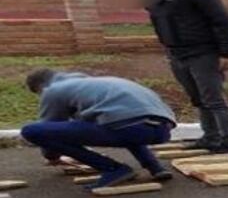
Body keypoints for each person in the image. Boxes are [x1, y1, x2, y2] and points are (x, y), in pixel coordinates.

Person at [20, 70, 176, 190]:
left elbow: (49, 128)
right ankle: (155, 168)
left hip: (129, 128)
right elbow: (132, 118)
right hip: (162, 130)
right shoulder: (96, 84)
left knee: (31, 130)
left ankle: (113, 168)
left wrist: (52, 156)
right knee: (119, 122)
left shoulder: (53, 90)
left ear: (40, 88)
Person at [147, 0, 228, 154]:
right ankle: (211, 137)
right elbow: (159, 24)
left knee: (213, 99)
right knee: (198, 99)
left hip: (204, 53)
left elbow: (224, 21)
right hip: (177, 54)